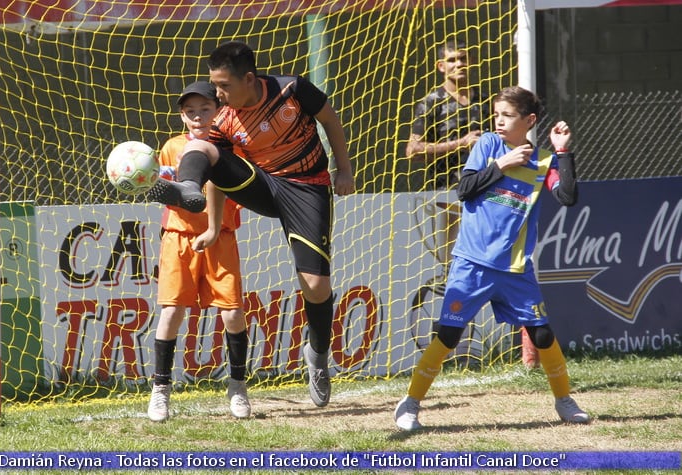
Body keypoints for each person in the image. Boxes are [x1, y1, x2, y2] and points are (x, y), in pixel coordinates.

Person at [147, 41, 355, 408]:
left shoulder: (293, 89)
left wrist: (344, 168)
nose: (218, 93)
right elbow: (217, 173)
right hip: (261, 184)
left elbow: (330, 119)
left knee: (317, 285)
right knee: (203, 146)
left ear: (249, 78)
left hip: (308, 188)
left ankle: (318, 352)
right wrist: (210, 225)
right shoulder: (224, 118)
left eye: (223, 85)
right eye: (215, 85)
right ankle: (185, 185)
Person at [394, 86, 590, 431]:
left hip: (515, 269)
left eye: (508, 115)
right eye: (497, 114)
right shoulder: (487, 145)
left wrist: (562, 152)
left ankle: (564, 401)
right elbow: (465, 189)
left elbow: (568, 196)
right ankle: (410, 404)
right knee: (449, 336)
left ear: (528, 120)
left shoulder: (543, 161)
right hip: (472, 262)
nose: (499, 121)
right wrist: (501, 164)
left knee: (542, 335)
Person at [147, 81, 251, 422]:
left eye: (205, 109)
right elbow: (165, 190)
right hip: (179, 238)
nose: (197, 116)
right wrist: (148, 185)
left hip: (220, 236)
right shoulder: (171, 147)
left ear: (219, 111)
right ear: (182, 115)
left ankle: (237, 385)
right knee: (172, 311)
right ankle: (160, 390)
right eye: (190, 111)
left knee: (232, 313)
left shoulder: (234, 147)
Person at [407, 39, 489, 276]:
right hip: (446, 190)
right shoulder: (431, 103)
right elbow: (412, 150)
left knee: (481, 259)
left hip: (483, 189)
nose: (459, 64)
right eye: (452, 60)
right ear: (441, 66)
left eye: (463, 58)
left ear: (471, 62)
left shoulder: (484, 100)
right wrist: (460, 144)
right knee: (453, 260)